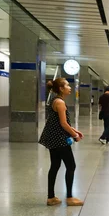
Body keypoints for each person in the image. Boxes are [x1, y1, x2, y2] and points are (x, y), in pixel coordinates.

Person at [39, 78, 84, 207]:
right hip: (59, 139)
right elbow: (63, 124)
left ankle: (51, 197)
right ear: (61, 88)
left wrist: (75, 130)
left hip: (53, 138)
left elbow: (61, 122)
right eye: (67, 85)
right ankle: (69, 198)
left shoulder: (56, 100)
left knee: (55, 166)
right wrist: (74, 135)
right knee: (71, 166)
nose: (70, 87)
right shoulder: (60, 103)